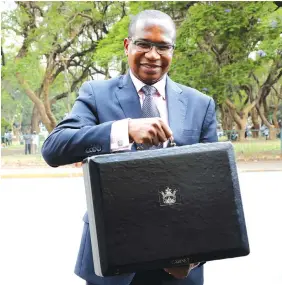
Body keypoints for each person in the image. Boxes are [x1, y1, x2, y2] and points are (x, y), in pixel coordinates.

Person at [42, 10, 218, 285]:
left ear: (173, 50)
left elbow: (213, 189)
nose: (152, 54)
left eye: (163, 47)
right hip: (113, 259)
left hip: (179, 262)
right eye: (144, 44)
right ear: (127, 46)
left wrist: (195, 258)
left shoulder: (201, 104)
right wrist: (125, 130)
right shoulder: (96, 94)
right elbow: (54, 148)